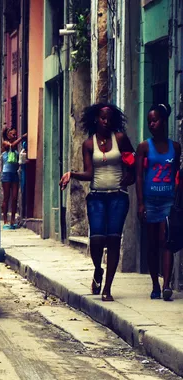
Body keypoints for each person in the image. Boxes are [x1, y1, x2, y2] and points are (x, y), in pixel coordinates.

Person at [59, 103, 136, 302]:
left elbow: (133, 162)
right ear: (96, 119)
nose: (106, 121)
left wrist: (130, 177)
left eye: (109, 118)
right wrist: (71, 174)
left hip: (118, 196)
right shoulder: (88, 144)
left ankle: (107, 288)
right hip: (97, 197)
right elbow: (89, 173)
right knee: (97, 240)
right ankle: (97, 270)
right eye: (102, 118)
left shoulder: (120, 139)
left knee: (113, 239)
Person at [136, 104, 181, 301]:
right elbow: (139, 176)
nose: (151, 125)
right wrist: (140, 203)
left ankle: (166, 285)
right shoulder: (144, 147)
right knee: (152, 244)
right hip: (150, 201)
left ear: (163, 121)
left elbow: (177, 175)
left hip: (168, 202)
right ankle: (154, 283)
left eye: (154, 120)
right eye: (149, 122)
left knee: (167, 242)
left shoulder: (176, 147)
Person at [1, 127, 27, 229]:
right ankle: (5, 220)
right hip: (6, 173)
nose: (14, 136)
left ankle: (12, 219)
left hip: (14, 174)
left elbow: (16, 161)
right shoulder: (5, 144)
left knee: (15, 197)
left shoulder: (16, 149)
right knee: (6, 197)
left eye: (15, 134)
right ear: (8, 135)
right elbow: (11, 145)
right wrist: (21, 137)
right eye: (13, 134)